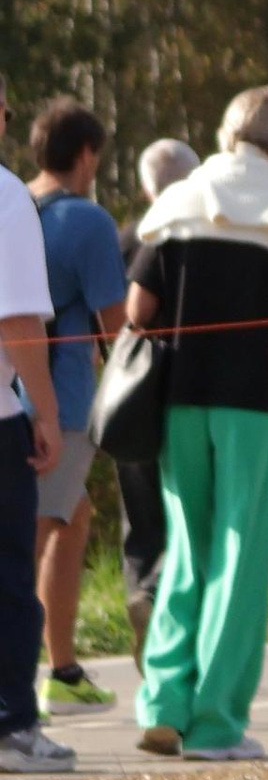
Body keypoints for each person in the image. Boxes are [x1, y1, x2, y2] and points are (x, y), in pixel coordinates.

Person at [126, 88, 268, 760]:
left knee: (189, 550)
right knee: (240, 559)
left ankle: (163, 701)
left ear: (226, 136)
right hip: (258, 403)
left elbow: (139, 309)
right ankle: (217, 724)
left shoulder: (180, 198)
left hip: (179, 398)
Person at [25, 100, 128, 720]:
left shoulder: (14, 207)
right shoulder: (86, 221)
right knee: (29, 539)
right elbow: (116, 324)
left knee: (75, 516)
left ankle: (61, 670)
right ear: (86, 155)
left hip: (16, 394)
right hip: (57, 405)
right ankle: (23, 684)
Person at [0, 72, 69, 774]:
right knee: (7, 576)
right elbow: (17, 317)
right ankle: (12, 725)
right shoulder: (5, 194)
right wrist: (43, 411)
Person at [106, 136, 196, 661]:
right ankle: (166, 613)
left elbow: (117, 317)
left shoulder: (123, 239)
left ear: (144, 186)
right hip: (188, 389)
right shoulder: (195, 236)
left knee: (138, 514)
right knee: (184, 511)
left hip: (129, 390)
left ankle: (142, 592)